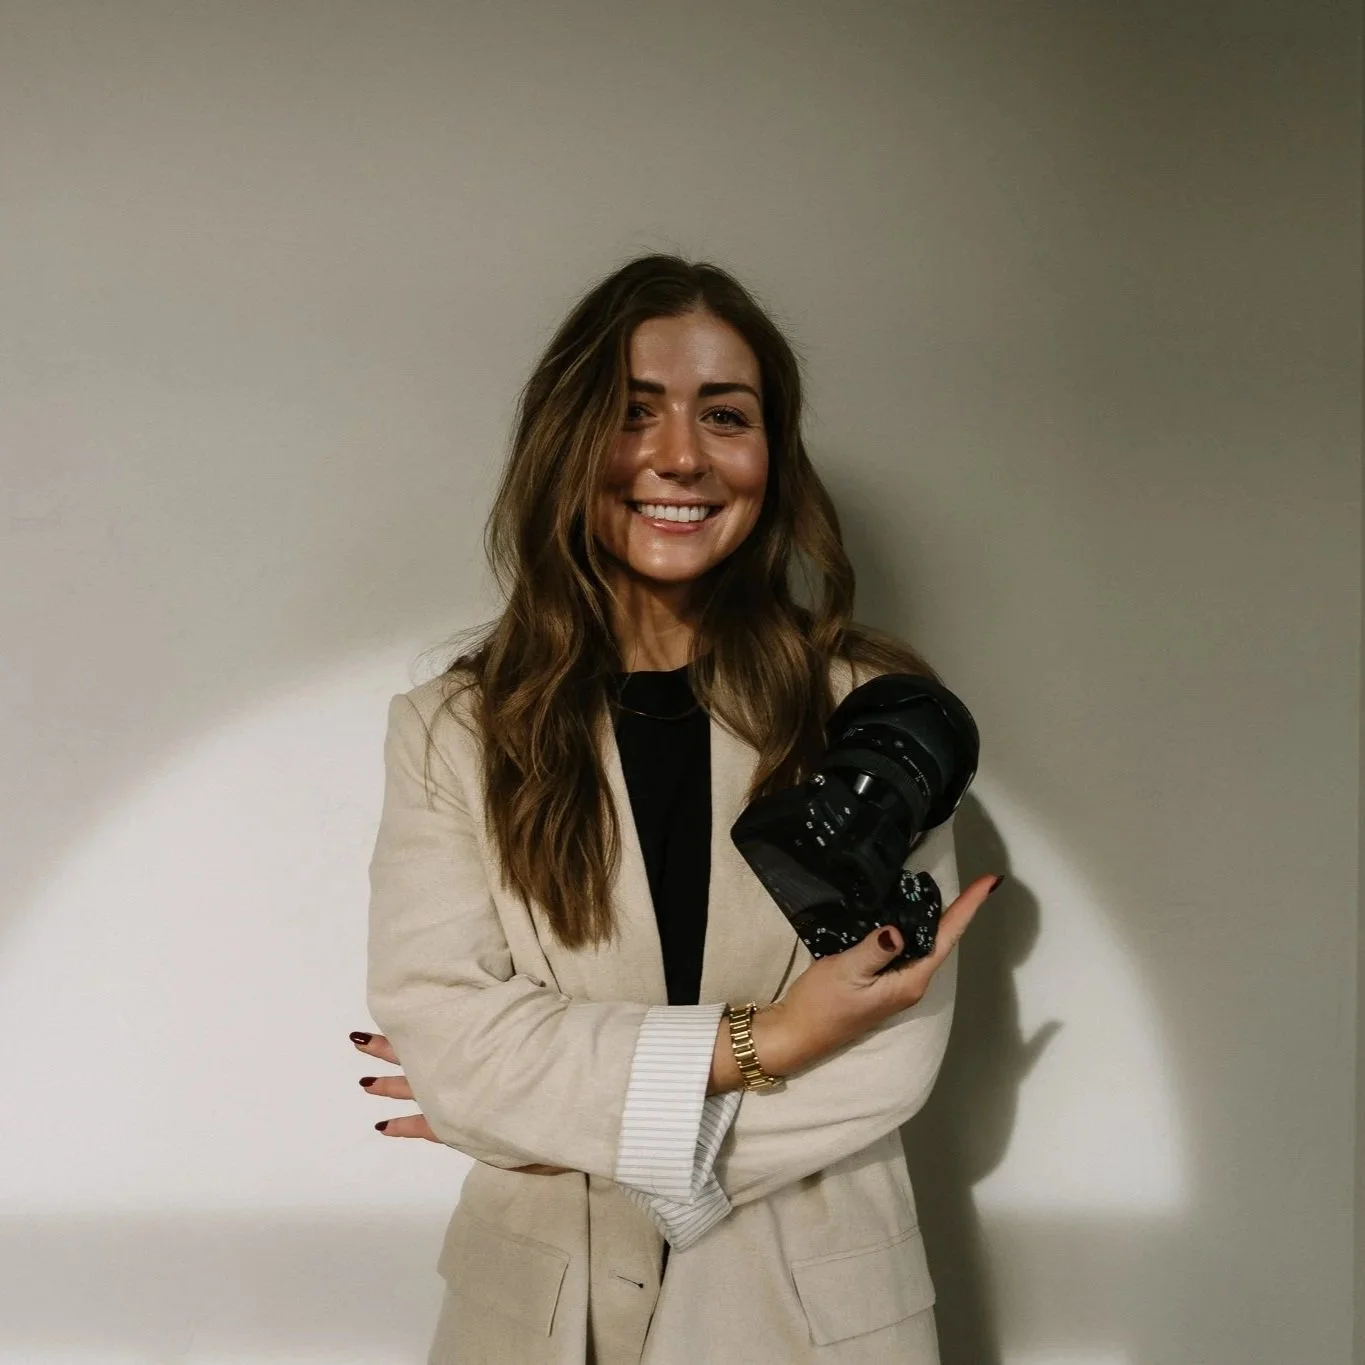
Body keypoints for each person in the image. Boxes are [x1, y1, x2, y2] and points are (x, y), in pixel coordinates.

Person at [349, 254, 1002, 1365]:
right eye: (633, 412)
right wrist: (777, 1037)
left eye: (725, 415)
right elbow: (451, 1042)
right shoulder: (451, 730)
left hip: (815, 1319)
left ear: (770, 456)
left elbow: (886, 1059)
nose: (681, 456)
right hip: (540, 1322)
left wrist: (550, 1119)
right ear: (567, 441)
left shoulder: (877, 721)